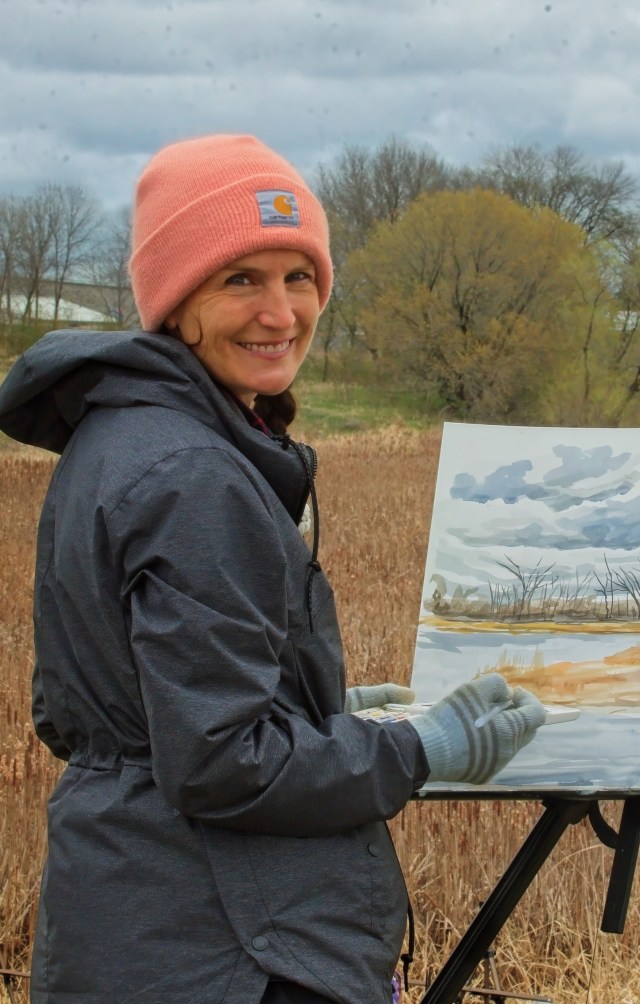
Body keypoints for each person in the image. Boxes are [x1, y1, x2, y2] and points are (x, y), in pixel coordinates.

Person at [0, 134, 546, 1004]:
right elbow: (219, 764)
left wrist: (320, 706)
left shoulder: (122, 435)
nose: (281, 312)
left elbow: (121, 710)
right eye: (239, 279)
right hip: (229, 950)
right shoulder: (192, 475)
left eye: (300, 277)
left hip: (141, 919)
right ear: (175, 300)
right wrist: (424, 748)